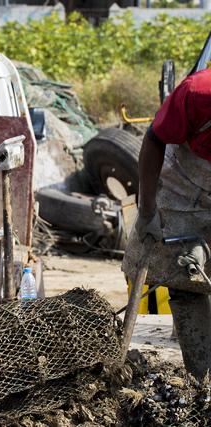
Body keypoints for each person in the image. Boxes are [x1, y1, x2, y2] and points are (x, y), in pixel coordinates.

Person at [122, 67, 211, 380]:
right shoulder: (198, 93)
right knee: (183, 279)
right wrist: (147, 210)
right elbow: (154, 139)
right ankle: (202, 378)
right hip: (181, 185)